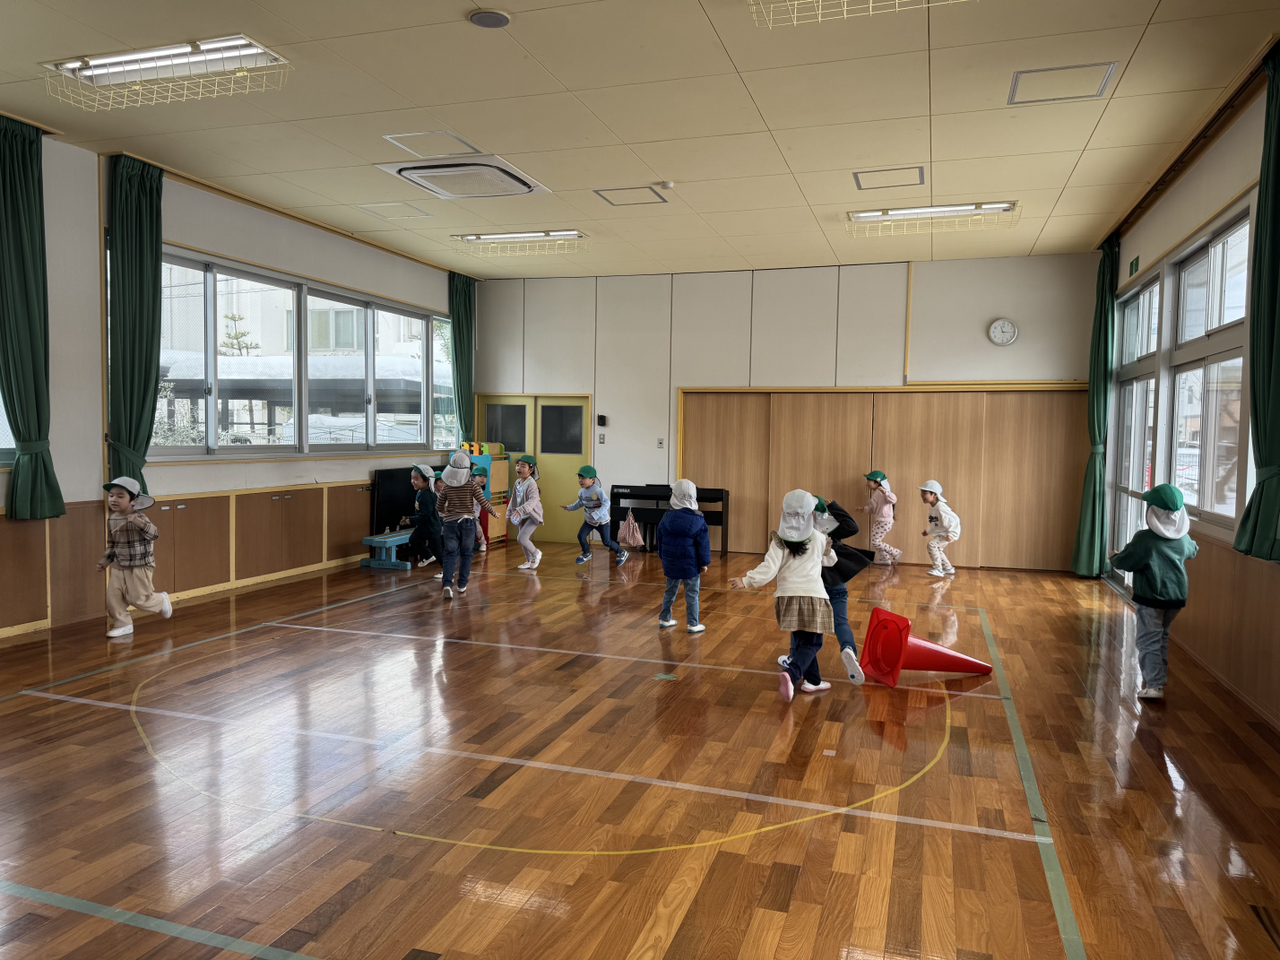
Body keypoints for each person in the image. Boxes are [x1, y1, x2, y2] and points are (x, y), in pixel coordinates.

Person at [729, 490, 837, 703]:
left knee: (802, 641)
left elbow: (769, 568)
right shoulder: (818, 537)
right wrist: (825, 545)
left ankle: (813, 681)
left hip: (787, 598)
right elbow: (831, 561)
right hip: (813, 597)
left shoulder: (779, 541)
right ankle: (792, 673)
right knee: (813, 643)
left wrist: (747, 580)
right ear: (810, 513)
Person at [1110, 484, 1199, 700]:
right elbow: (1193, 550)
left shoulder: (1144, 540)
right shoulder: (1183, 539)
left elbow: (1126, 561)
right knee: (1161, 636)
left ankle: (1155, 684)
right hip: (1176, 599)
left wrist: (1114, 557)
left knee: (1147, 640)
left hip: (1151, 599)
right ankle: (1157, 676)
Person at [780, 497, 870, 684]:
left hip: (812, 587)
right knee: (841, 622)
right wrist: (834, 507)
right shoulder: (830, 528)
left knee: (802, 627)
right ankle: (848, 649)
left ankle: (795, 657)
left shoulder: (799, 532)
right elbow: (852, 526)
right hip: (836, 582)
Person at [97, 477, 172, 640]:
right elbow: (112, 544)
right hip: (119, 566)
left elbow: (154, 534)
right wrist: (105, 561)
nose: (114, 499)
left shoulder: (140, 517)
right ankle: (123, 624)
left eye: (120, 496)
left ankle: (161, 600)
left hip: (140, 565)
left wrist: (138, 522)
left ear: (134, 501)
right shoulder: (112, 519)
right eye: (111, 495)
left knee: (138, 599)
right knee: (113, 597)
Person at [436, 451, 501, 599]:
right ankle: (462, 584)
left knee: (450, 554)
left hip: (450, 524)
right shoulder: (472, 486)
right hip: (467, 523)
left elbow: (439, 506)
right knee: (466, 554)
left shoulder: (446, 487)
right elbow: (483, 502)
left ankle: (447, 584)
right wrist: (494, 513)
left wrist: (446, 512)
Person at [656, 479, 711, 633]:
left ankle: (665, 619)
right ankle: (693, 624)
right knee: (692, 593)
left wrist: (662, 556)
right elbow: (703, 545)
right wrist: (704, 563)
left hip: (670, 561)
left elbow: (659, 538)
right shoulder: (699, 520)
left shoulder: (666, 517)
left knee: (670, 591)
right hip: (690, 565)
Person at [562, 465, 628, 567]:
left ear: (592, 480)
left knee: (606, 542)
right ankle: (586, 553)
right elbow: (580, 503)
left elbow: (607, 503)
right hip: (589, 521)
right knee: (581, 536)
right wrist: (570, 507)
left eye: (583, 478)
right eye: (579, 478)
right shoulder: (581, 491)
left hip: (602, 521)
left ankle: (621, 552)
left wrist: (597, 514)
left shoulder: (598, 491)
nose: (580, 480)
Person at [507, 454, 544, 570]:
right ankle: (529, 560)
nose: (519, 468)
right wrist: (509, 514)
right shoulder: (517, 482)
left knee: (521, 538)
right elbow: (513, 499)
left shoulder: (531, 483)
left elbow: (533, 500)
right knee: (522, 540)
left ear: (530, 470)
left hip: (533, 515)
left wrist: (521, 510)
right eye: (518, 465)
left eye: (523, 466)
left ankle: (536, 553)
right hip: (522, 515)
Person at [858, 470, 900, 565]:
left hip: (885, 521)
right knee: (876, 540)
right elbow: (873, 509)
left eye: (869, 481)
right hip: (880, 520)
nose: (867, 483)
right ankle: (885, 559)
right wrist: (863, 509)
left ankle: (895, 552)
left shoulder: (883, 492)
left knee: (875, 541)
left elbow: (893, 499)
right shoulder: (876, 493)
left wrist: (885, 492)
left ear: (877, 482)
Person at [919, 480, 960, 577]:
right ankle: (948, 568)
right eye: (921, 493)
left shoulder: (940, 507)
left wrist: (952, 534)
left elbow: (955, 519)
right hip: (942, 533)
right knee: (937, 549)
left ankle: (938, 569)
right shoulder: (933, 507)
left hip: (946, 534)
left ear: (934, 495)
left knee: (932, 545)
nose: (922, 495)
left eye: (925, 493)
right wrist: (928, 531)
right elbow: (935, 523)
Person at [403, 465, 441, 569]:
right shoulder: (421, 492)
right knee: (413, 539)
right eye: (412, 478)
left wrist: (411, 520)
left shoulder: (426, 495)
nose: (413, 481)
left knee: (437, 551)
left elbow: (425, 515)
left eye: (416, 479)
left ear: (427, 481)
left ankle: (448, 572)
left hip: (431, 527)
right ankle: (428, 556)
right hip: (423, 527)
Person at [471, 465, 490, 553]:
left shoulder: (480, 489)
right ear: (473, 477)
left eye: (485, 477)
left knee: (478, 529)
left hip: (474, 515)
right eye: (480, 476)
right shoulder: (471, 488)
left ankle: (483, 543)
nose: (483, 479)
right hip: (468, 515)